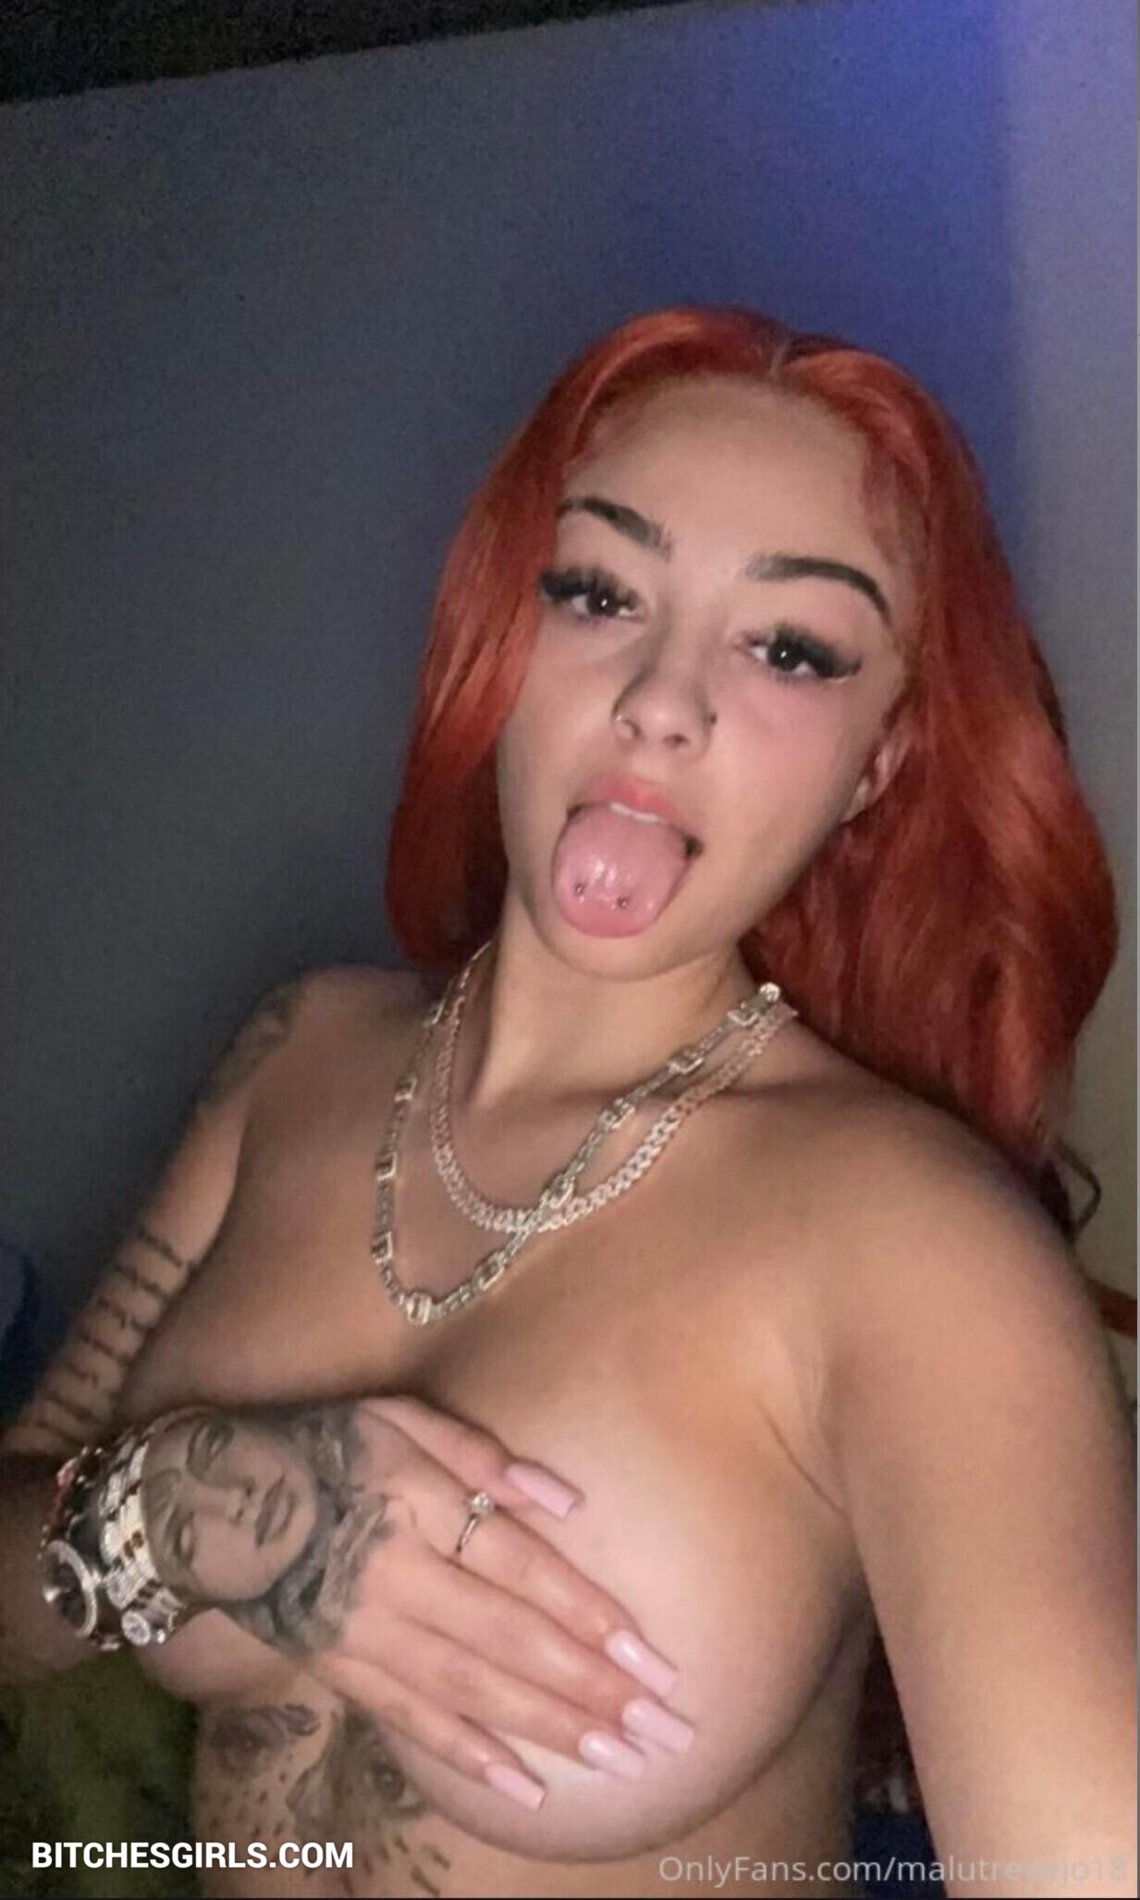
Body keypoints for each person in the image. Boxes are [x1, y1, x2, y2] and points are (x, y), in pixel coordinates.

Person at [1, 305, 1134, 1900]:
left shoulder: (917, 1244)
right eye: (599, 592)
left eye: (791, 649)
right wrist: (170, 1508)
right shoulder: (301, 1057)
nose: (663, 700)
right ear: (501, 638)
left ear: (876, 764)